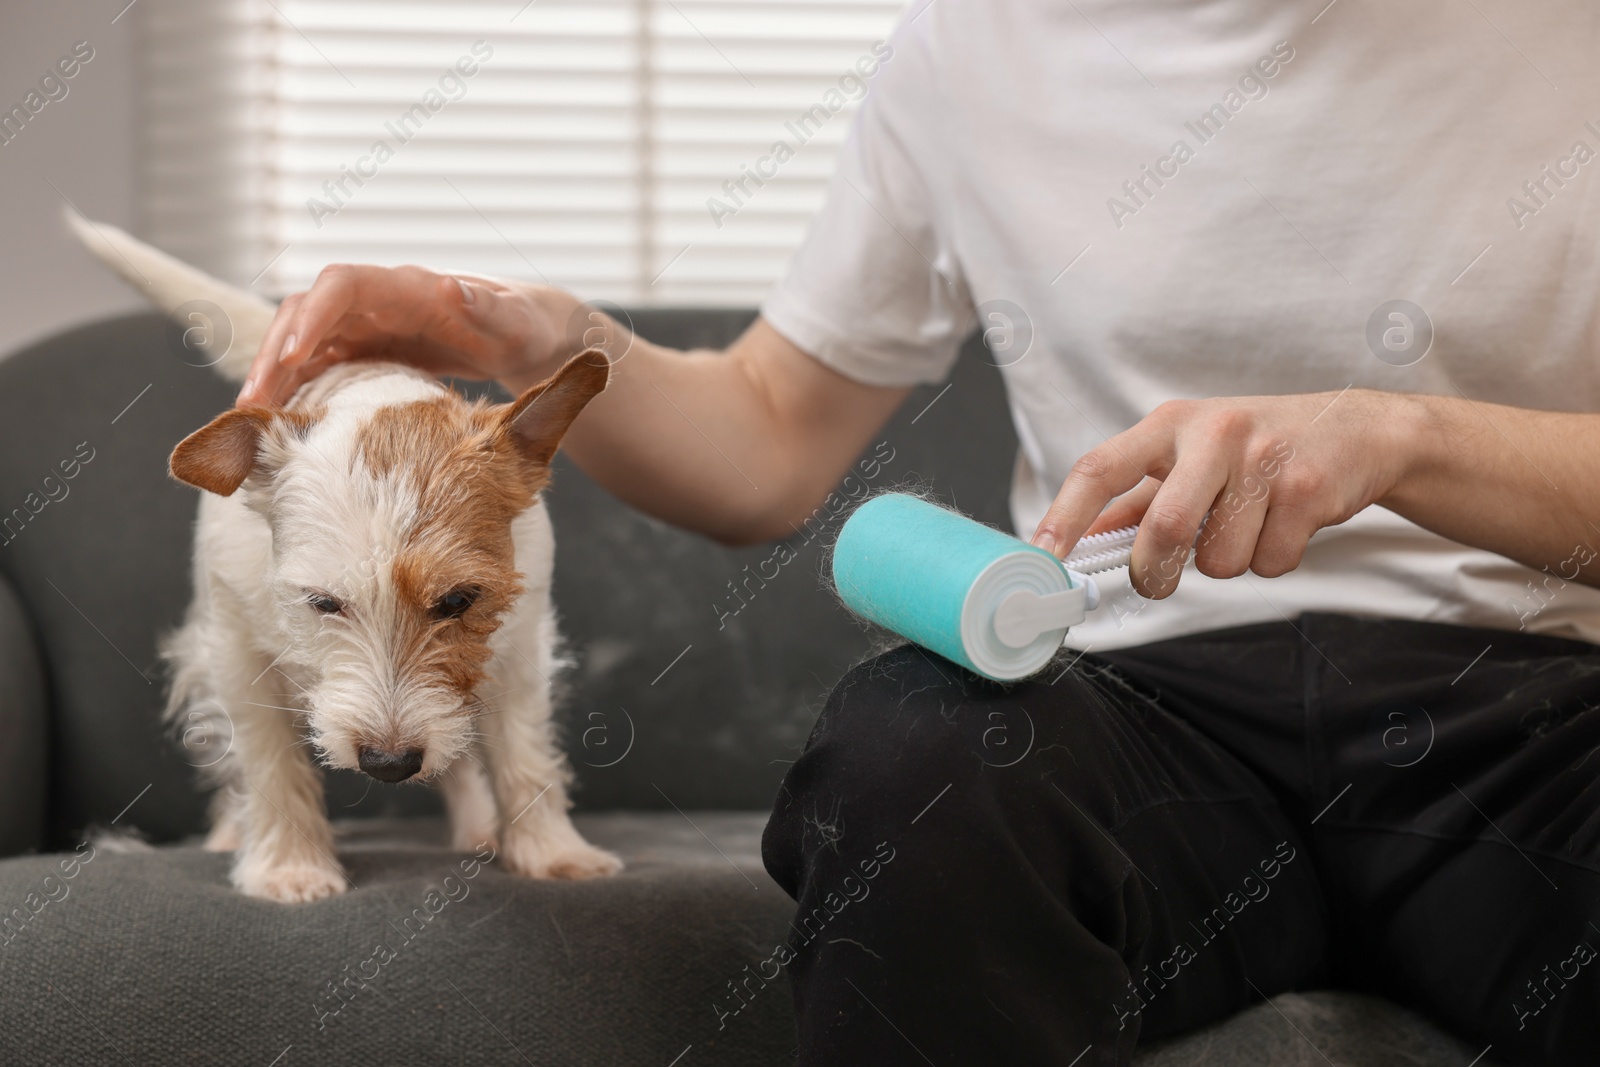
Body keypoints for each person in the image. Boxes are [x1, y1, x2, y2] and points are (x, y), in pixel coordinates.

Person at [238, 2, 1600, 1063]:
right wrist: (550, 342)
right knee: (915, 757)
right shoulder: (976, 45)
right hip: (1139, 712)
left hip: (1534, 708)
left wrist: (1411, 441)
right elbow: (768, 437)